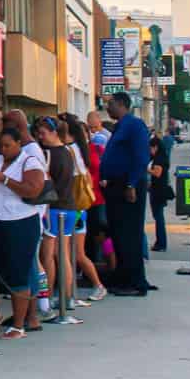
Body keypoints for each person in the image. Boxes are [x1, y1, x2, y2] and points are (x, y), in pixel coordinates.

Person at [0, 125, 48, 339]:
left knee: (18, 274)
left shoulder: (30, 162)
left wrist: (5, 179)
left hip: (21, 221)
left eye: (8, 145)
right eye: (1, 145)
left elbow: (33, 189)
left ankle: (18, 324)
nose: (3, 149)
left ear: (18, 144)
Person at [98, 91, 153, 295]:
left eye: (110, 104)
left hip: (127, 186)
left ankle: (133, 282)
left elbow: (141, 157)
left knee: (128, 234)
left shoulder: (134, 125)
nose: (107, 108)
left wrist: (131, 184)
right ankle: (123, 277)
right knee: (118, 233)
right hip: (115, 186)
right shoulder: (120, 126)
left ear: (121, 104)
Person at [34, 117, 82, 326]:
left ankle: (49, 298)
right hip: (70, 207)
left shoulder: (47, 154)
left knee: (48, 256)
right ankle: (67, 297)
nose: (40, 137)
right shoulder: (69, 151)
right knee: (63, 255)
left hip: (53, 208)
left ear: (53, 132)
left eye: (43, 133)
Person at [62, 116, 107, 301]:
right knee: (74, 254)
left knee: (75, 254)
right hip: (80, 208)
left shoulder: (69, 152)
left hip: (75, 207)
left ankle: (96, 285)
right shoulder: (78, 151)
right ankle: (71, 293)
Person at [148, 133, 175, 252]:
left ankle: (161, 243)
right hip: (157, 189)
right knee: (158, 217)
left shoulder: (159, 159)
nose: (150, 151)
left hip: (158, 191)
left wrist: (146, 168)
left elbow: (157, 173)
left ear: (156, 147)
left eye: (151, 148)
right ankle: (160, 242)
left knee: (158, 217)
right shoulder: (161, 157)